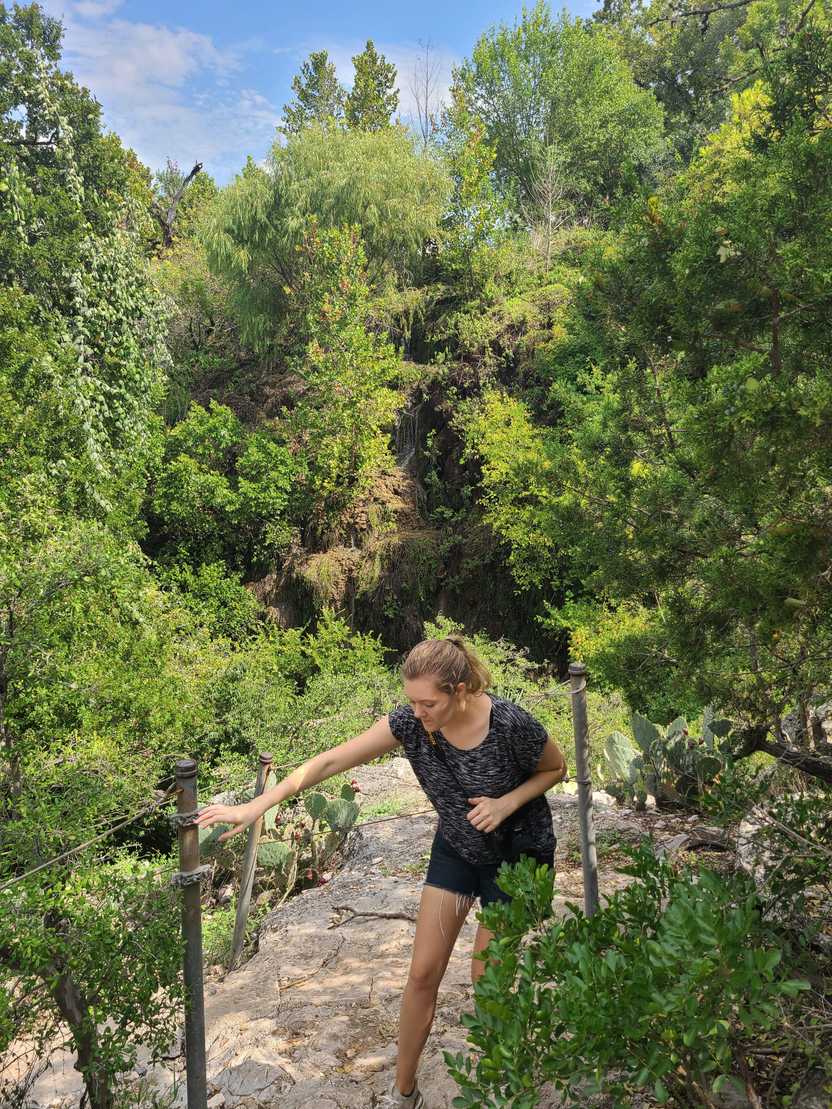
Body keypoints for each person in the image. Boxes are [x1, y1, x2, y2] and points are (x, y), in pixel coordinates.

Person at [196, 635, 567, 1108]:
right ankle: (403, 1092)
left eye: (428, 703)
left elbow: (555, 768)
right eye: (412, 701)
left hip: (518, 856)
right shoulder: (411, 724)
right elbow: (330, 761)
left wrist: (505, 803)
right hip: (458, 846)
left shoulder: (511, 724)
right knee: (422, 974)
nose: (418, 712)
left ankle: (502, 1089)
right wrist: (258, 806)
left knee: (487, 981)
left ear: (460, 690)